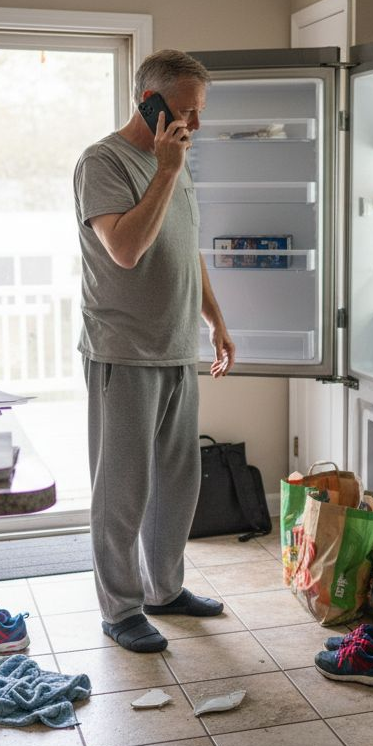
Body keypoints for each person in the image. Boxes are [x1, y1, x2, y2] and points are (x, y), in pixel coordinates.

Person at [72, 49, 236, 654]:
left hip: (176, 347)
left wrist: (215, 319)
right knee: (121, 491)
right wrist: (166, 169)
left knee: (177, 482)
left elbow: (184, 247)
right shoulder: (103, 162)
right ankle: (120, 609)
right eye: (186, 111)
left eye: (199, 112)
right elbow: (126, 250)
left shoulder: (178, 160)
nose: (195, 124)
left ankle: (165, 589)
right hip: (123, 351)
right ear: (150, 101)